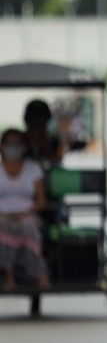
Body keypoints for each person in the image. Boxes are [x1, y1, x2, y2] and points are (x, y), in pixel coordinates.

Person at [0, 127, 51, 290]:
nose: (13, 147)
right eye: (9, 143)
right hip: (2, 215)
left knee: (28, 228)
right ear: (2, 145)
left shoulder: (33, 169)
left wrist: (25, 213)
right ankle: (9, 277)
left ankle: (40, 275)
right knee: (4, 229)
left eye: (17, 143)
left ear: (25, 147)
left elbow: (41, 201)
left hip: (28, 214)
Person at [22, 99, 63, 170]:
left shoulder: (54, 141)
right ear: (27, 120)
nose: (37, 123)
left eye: (41, 120)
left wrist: (44, 143)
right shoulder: (19, 140)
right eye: (33, 119)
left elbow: (57, 164)